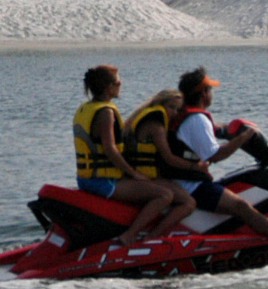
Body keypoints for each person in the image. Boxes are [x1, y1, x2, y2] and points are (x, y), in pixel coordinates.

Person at [165, 67, 268, 251]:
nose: (212, 94)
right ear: (203, 93)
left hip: (183, 180)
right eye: (210, 90)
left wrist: (232, 129)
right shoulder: (196, 120)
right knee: (242, 206)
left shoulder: (188, 115)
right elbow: (217, 155)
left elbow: (214, 130)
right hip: (190, 185)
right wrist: (244, 137)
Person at [73, 65, 195, 246]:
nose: (120, 83)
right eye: (117, 81)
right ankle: (131, 236)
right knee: (164, 195)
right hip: (103, 181)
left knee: (183, 198)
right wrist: (133, 173)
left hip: (91, 177)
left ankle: (148, 232)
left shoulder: (86, 107)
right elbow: (110, 149)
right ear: (108, 87)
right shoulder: (106, 113)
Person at [123, 88, 199, 215]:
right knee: (189, 202)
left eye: (178, 109)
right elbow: (169, 157)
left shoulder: (143, 117)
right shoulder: (156, 126)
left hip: (137, 175)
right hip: (145, 176)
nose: (174, 112)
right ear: (160, 104)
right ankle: (148, 234)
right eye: (171, 107)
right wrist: (196, 167)